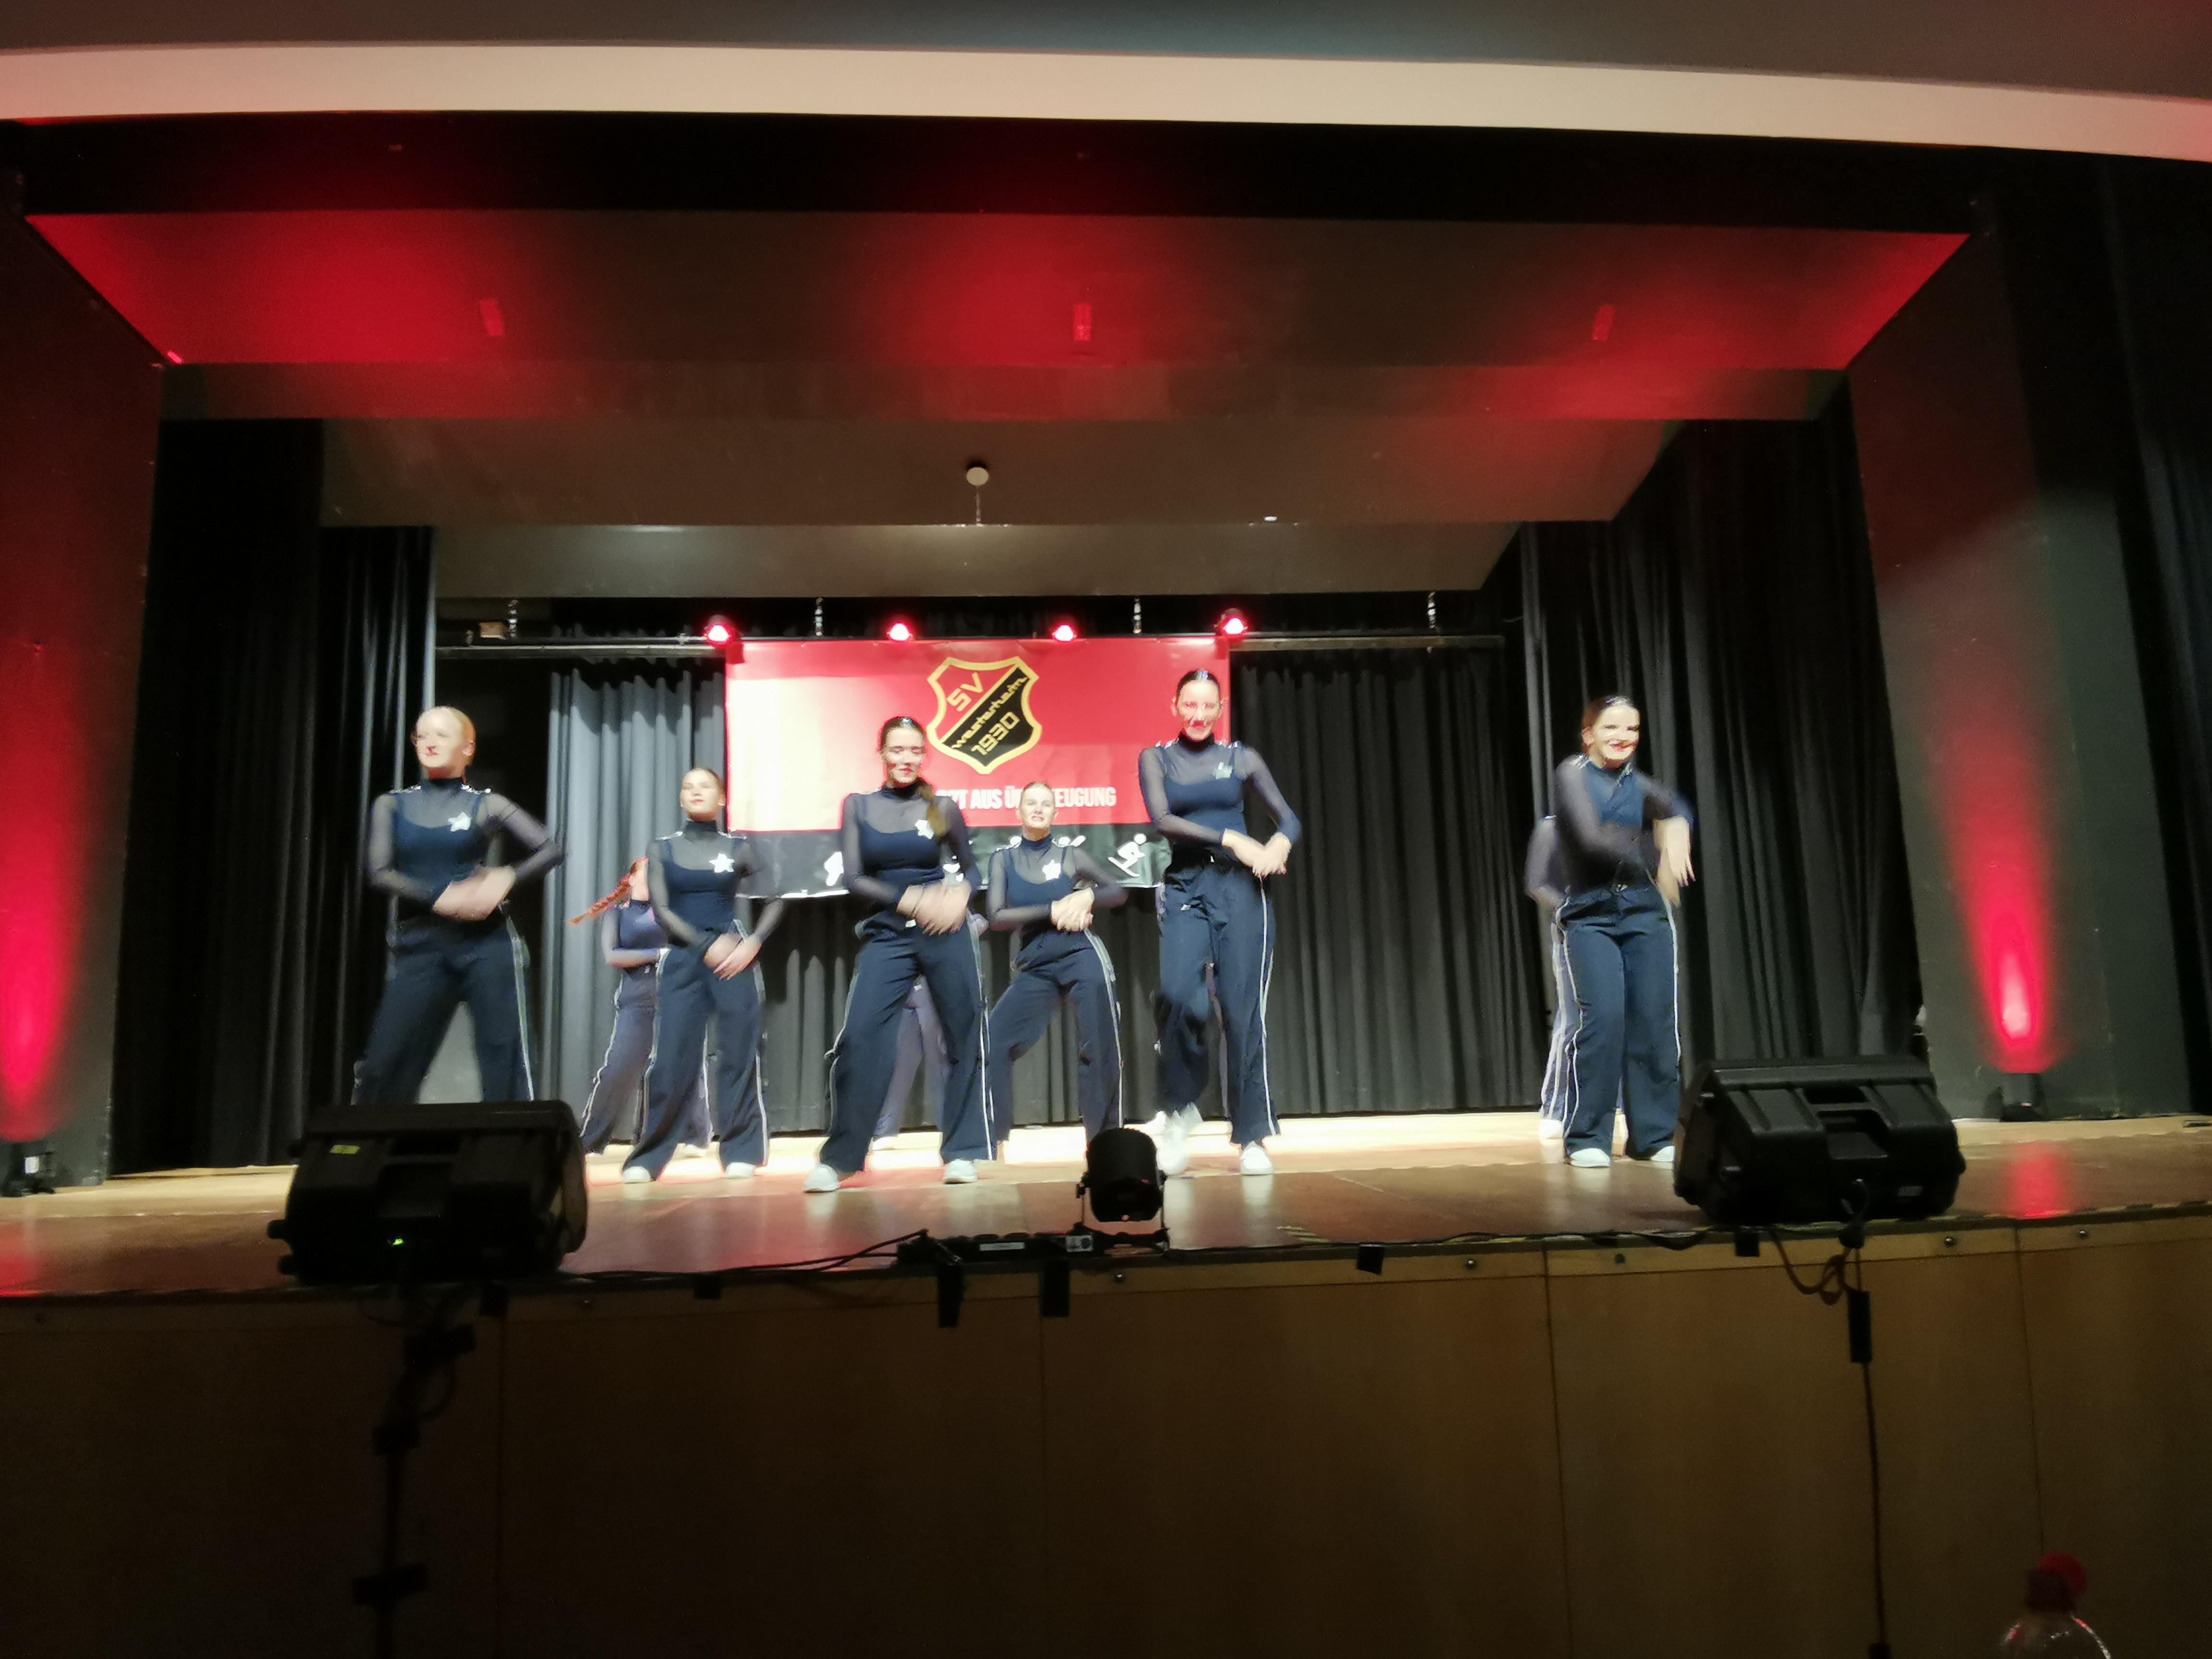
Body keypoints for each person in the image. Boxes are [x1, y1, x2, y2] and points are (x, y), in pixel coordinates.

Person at [804, 717, 991, 1192]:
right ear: (882, 753)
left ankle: (962, 1152)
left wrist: (960, 897)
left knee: (962, 1034)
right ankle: (841, 1158)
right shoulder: (860, 806)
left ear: (924, 755)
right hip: (889, 932)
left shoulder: (940, 807)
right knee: (860, 1037)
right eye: (897, 750)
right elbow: (854, 878)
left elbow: (971, 868)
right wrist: (911, 901)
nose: (906, 759)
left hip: (944, 931)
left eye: (914, 751)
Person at [1138, 669, 1301, 1178]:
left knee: (1242, 1011)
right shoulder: (1157, 758)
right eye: (1190, 704)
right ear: (1175, 705)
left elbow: (1289, 819)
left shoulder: (1241, 758)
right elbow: (1163, 820)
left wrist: (1278, 845)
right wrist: (1233, 839)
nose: (1199, 714)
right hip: (1186, 885)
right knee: (1178, 997)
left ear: (1221, 708)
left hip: (1240, 890)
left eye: (1208, 706)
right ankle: (1181, 1108)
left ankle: (1252, 1135)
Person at [356, 706, 563, 1105]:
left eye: (442, 735)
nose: (430, 742)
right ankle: (377, 1140)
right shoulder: (392, 804)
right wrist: (440, 897)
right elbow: (379, 872)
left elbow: (550, 849)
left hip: (487, 945)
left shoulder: (486, 804)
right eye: (422, 735)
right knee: (386, 1063)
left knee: (505, 1057)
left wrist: (507, 877)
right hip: (422, 945)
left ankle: (509, 1141)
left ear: (468, 748)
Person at [1551, 695, 1695, 1169]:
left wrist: (1679, 825)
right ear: (1589, 734)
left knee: (1654, 1022)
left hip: (1644, 915)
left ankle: (1653, 1136)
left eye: (1632, 729)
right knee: (1604, 1021)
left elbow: (1677, 805)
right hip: (1591, 917)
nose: (1623, 737)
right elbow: (1592, 839)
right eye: (1612, 727)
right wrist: (1656, 844)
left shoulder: (1637, 782)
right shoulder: (1573, 774)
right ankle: (1587, 1136)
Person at [624, 769, 786, 1183]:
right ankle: (650, 1155)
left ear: (723, 798)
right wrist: (702, 945)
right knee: (671, 1059)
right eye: (689, 787)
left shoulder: (738, 848)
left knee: (738, 1055)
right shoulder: (663, 848)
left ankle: (742, 1151)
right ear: (681, 799)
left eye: (706, 786)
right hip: (684, 960)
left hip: (733, 959)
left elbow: (775, 898)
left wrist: (754, 943)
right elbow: (662, 909)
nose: (696, 792)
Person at [985, 781, 1131, 1143]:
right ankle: (994, 1140)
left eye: (1046, 804)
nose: (1038, 809)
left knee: (1098, 1049)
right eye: (1031, 803)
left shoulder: (1070, 856)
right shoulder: (1003, 860)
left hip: (1081, 956)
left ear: (1055, 813)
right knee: (993, 1043)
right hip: (1037, 966)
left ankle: (1105, 1144)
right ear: (1019, 811)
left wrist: (1087, 897)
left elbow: (1118, 891)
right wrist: (1053, 909)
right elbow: (997, 916)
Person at [569, 858, 712, 1158]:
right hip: (637, 1000)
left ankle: (696, 1135)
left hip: (676, 997)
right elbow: (613, 956)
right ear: (631, 879)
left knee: (685, 1064)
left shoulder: (671, 912)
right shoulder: (617, 914)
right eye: (647, 874)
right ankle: (592, 1139)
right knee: (618, 1068)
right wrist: (658, 954)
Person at [1523, 816, 1574, 1144]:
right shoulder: (1553, 828)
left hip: (1625, 928)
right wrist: (1574, 909)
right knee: (1574, 1019)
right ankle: (1556, 1108)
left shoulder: (1623, 825)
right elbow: (1538, 884)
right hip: (1576, 932)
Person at [873, 982, 948, 1148]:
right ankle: (885, 1129)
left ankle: (951, 1129)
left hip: (932, 985)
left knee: (941, 1061)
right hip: (900, 987)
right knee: (898, 1063)